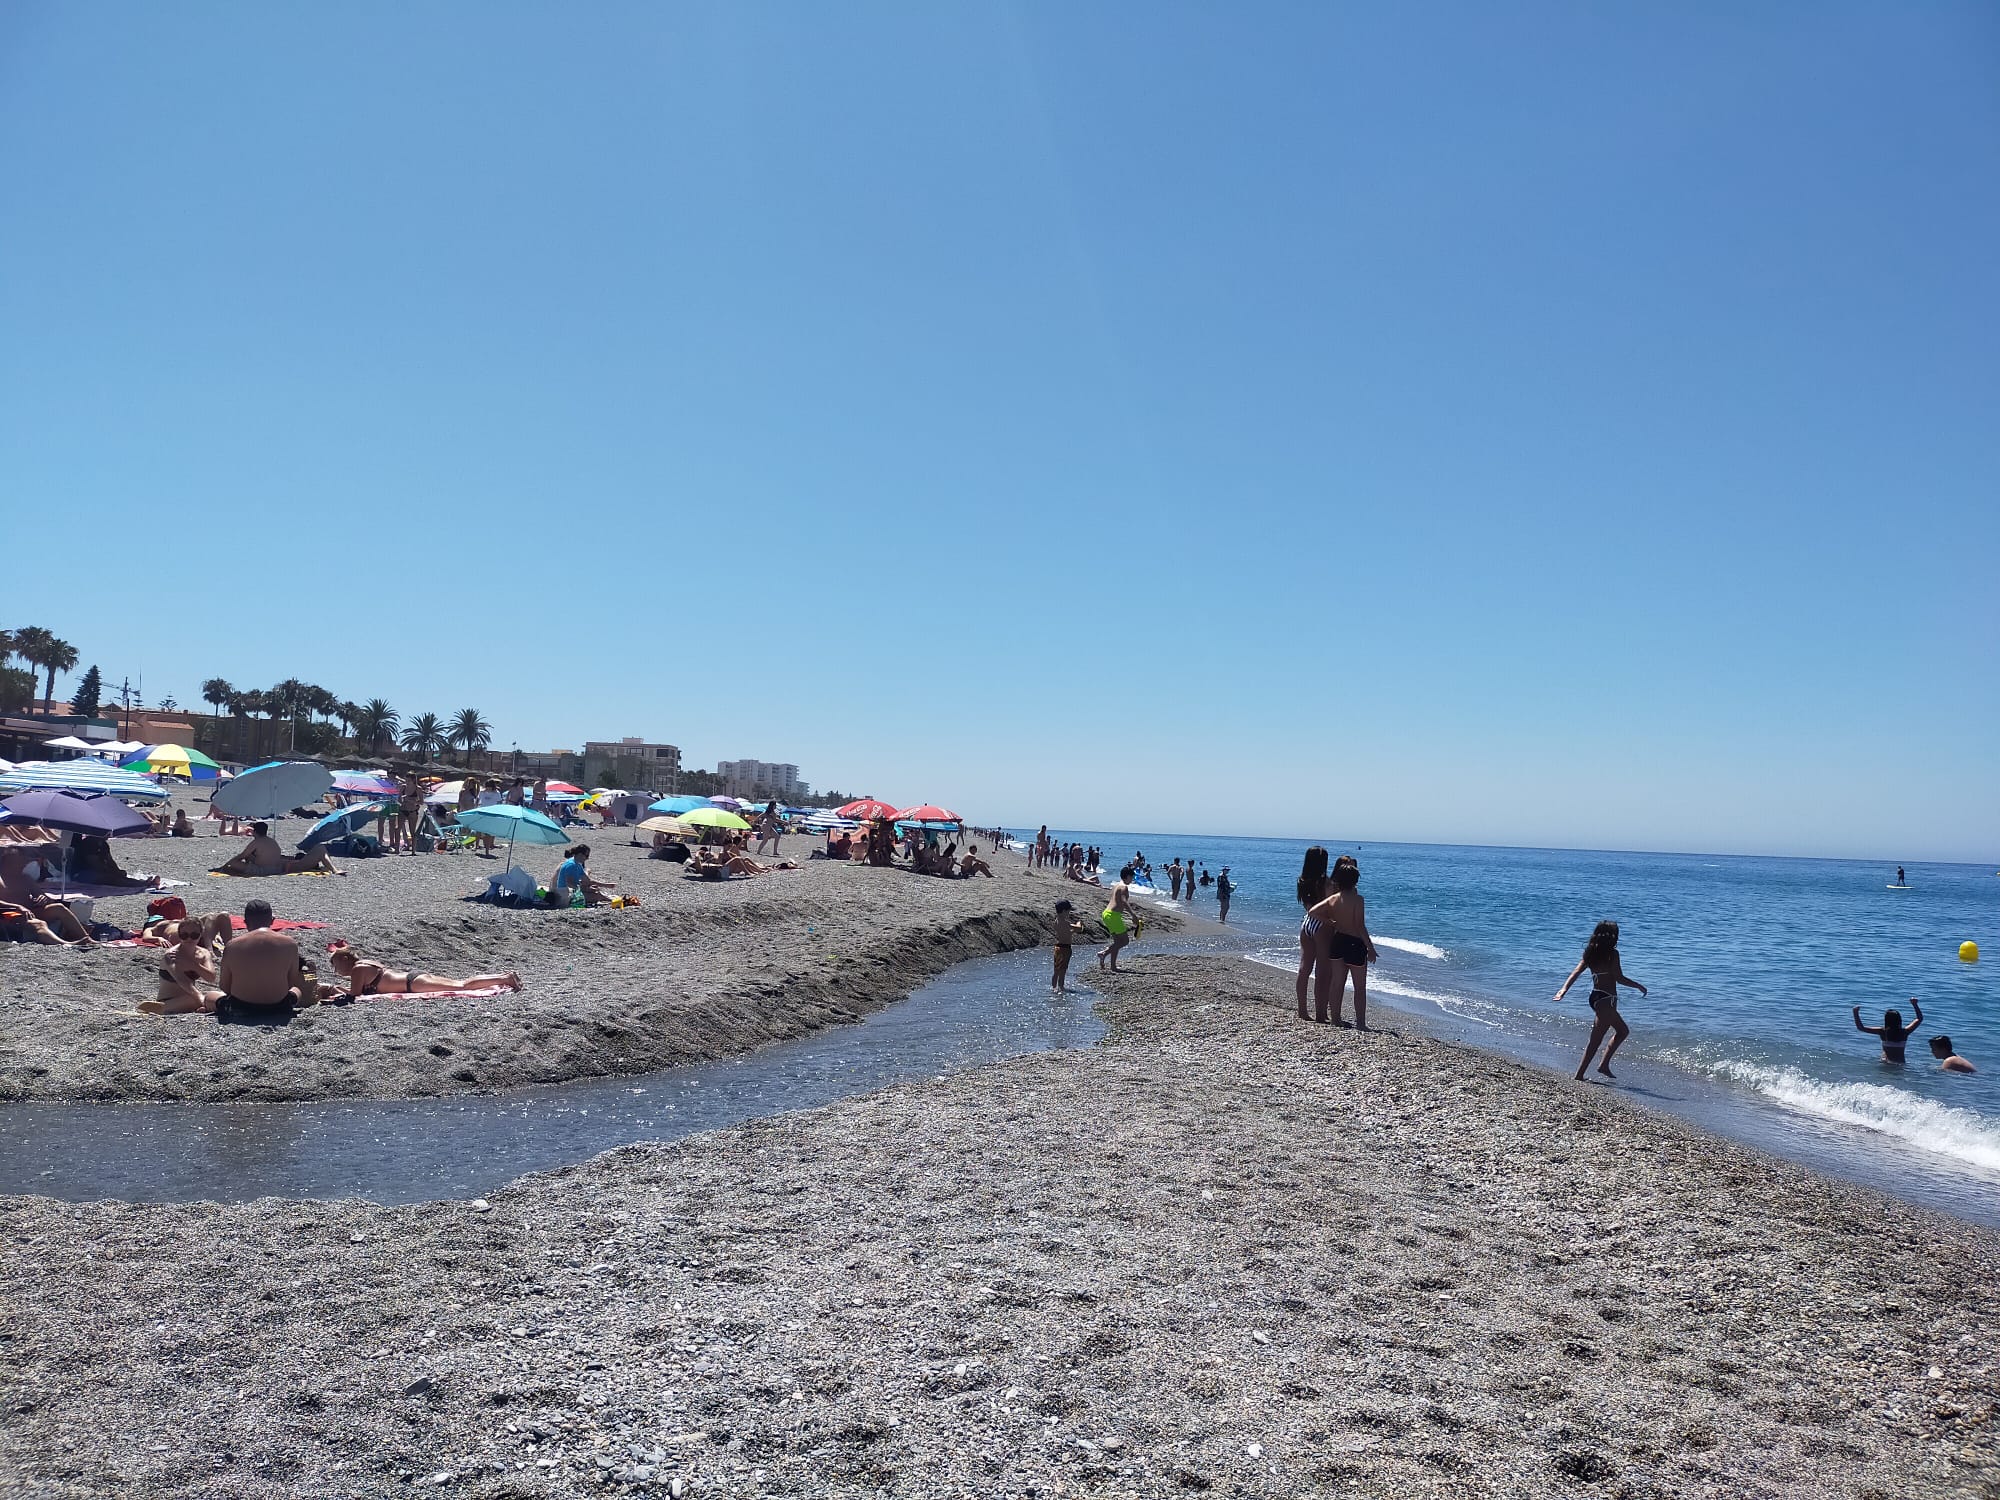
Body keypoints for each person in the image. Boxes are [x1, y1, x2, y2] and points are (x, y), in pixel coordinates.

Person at [1555, 919, 1646, 1080]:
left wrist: (1563, 990)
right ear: (1613, 937)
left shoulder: (1590, 952)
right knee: (1598, 1039)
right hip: (1606, 1000)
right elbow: (1619, 978)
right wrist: (1638, 985)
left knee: (1621, 1031)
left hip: (1596, 997)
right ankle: (1580, 1074)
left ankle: (1602, 1066)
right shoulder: (1612, 954)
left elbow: (1575, 972)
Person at [1308, 855, 1378, 1028]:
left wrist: (1331, 922)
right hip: (1355, 943)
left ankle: (1336, 1019)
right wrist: (1370, 948)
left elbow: (1313, 912)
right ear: (1355, 881)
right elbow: (1360, 926)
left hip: (1338, 940)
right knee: (1359, 987)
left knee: (1337, 983)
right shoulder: (1358, 900)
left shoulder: (1333, 899)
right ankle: (1361, 1023)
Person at [214, 899, 305, 1023]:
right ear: (272, 921)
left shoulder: (232, 945)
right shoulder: (290, 943)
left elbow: (225, 987)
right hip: (279, 1007)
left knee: (210, 996)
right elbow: (291, 983)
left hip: (240, 1007)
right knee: (297, 991)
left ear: (245, 922)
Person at [327, 942, 521, 996]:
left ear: (345, 959)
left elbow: (354, 994)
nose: (338, 972)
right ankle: (504, 977)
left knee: (462, 986)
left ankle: (505, 978)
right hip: (413, 978)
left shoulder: (357, 970)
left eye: (336, 967)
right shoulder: (365, 964)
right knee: (461, 983)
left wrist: (335, 989)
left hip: (413, 984)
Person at [0, 845, 95, 945]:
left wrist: (44, 899)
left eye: (23, 861)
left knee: (59, 908)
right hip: (9, 914)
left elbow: (41, 895)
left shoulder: (25, 878)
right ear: (8, 861)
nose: (24, 864)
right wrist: (18, 907)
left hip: (30, 911)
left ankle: (87, 939)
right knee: (40, 924)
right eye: (20, 861)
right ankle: (64, 944)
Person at [142, 919, 223, 1014]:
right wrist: (201, 999)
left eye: (194, 935)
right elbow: (182, 980)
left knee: (216, 996)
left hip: (190, 995)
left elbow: (211, 977)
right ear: (179, 935)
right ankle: (162, 1008)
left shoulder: (203, 953)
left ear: (201, 934)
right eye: (184, 935)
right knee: (203, 999)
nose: (189, 939)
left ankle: (205, 1007)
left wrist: (193, 965)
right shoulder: (172, 955)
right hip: (169, 999)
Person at [213, 822, 340, 877]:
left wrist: (226, 865)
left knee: (235, 864)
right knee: (247, 858)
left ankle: (225, 867)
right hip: (275, 867)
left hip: (263, 870)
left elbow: (241, 856)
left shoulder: (256, 842)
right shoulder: (271, 841)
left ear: (255, 832)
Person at [1294, 846, 1331, 1021]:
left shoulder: (1302, 880)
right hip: (1322, 924)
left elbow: (1308, 907)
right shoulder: (1325, 882)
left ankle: (1302, 1010)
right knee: (1323, 971)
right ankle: (1321, 1013)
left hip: (1306, 923)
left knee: (1304, 967)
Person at [1853, 1000, 1923, 1063]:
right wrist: (1915, 1004)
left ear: (1886, 1020)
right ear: (1899, 1020)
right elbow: (1919, 1019)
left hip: (1885, 1062)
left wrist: (1855, 1013)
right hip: (1899, 1063)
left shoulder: (1882, 1032)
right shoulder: (1905, 1032)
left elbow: (1861, 1028)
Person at [1099, 866, 1139, 973]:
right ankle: (1104, 953)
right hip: (1113, 915)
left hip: (1107, 914)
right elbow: (1124, 901)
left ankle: (1113, 966)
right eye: (1132, 877)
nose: (1132, 879)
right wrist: (1133, 915)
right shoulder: (1124, 887)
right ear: (1128, 876)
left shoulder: (1116, 885)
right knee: (1125, 941)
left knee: (1117, 941)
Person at [550, 844, 616, 906]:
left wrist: (606, 885)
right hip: (562, 894)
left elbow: (587, 880)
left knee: (595, 890)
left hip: (566, 891)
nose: (587, 858)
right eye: (587, 856)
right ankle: (609, 899)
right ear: (580, 854)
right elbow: (569, 884)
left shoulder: (577, 864)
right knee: (596, 896)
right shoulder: (571, 865)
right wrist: (586, 889)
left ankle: (607, 899)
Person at [1051, 898, 1084, 993]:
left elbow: (1067, 933)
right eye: (1068, 912)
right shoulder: (1065, 922)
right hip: (1065, 949)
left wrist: (1072, 931)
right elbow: (1078, 929)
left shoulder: (1056, 921)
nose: (1069, 914)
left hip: (1058, 947)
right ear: (1064, 911)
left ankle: (1054, 987)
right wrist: (1079, 923)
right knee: (1063, 970)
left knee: (1056, 970)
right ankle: (1061, 987)